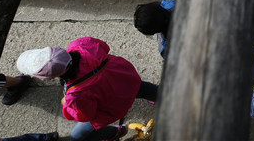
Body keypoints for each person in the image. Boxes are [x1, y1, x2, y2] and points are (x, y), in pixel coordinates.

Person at [16, 38, 157, 141]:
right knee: (142, 88)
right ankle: (161, 97)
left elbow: (84, 116)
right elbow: (104, 46)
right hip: (123, 77)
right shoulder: (80, 45)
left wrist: (66, 104)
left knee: (77, 135)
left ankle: (116, 132)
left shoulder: (75, 96)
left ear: (52, 77)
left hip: (112, 103)